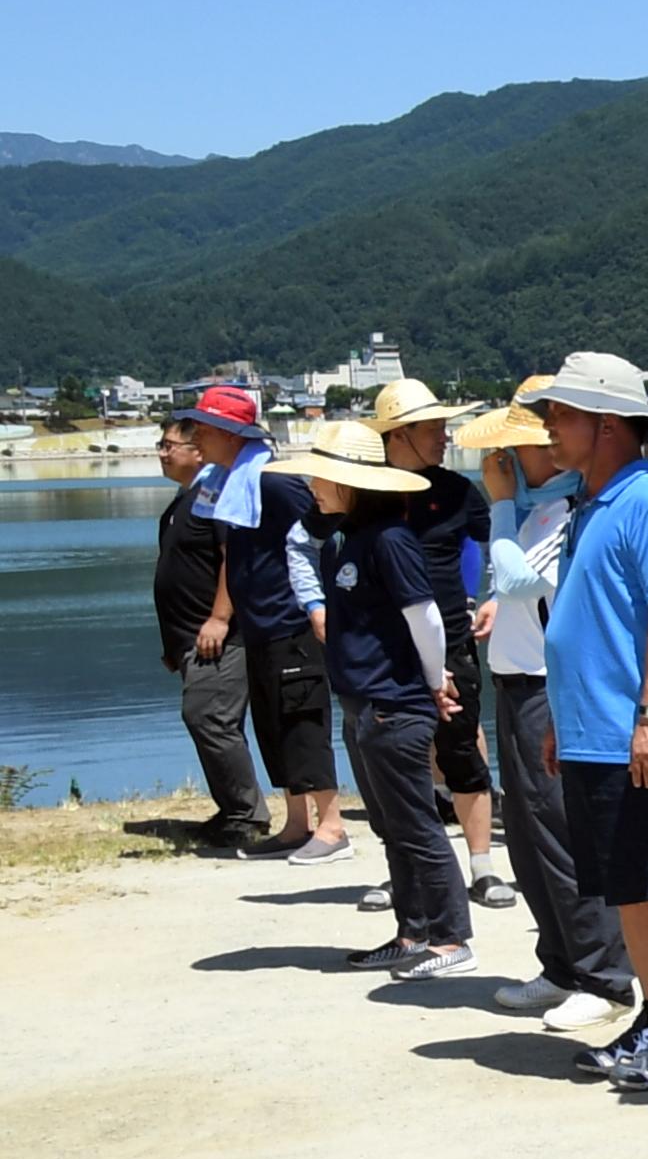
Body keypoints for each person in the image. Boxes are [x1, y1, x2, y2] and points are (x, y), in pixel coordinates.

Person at [533, 353, 648, 1092]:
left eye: (561, 413)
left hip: (627, 727)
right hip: (588, 726)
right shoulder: (593, 498)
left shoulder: (646, 499)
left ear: (606, 423)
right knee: (626, 887)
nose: (550, 426)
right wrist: (559, 717)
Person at [464, 385, 634, 1033]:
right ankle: (561, 961)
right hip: (514, 680)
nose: (503, 455)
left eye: (515, 442)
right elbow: (506, 587)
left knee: (563, 835)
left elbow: (518, 578)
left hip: (546, 687)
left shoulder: (567, 507)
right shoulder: (536, 509)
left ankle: (604, 972)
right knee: (531, 838)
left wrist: (500, 504)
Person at [284, 422, 475, 978]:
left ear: (352, 483)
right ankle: (412, 930)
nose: (315, 485)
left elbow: (426, 616)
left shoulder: (391, 538)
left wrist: (435, 680)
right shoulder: (342, 537)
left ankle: (451, 937)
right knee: (391, 824)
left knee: (417, 823)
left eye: (325, 476)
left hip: (396, 701)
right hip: (362, 701)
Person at [176, 384, 350, 862]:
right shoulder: (231, 480)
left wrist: (319, 598)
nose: (197, 438)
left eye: (203, 429)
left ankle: (332, 827)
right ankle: (296, 825)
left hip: (291, 620)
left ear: (230, 434)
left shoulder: (271, 479)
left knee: (302, 721)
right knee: (272, 724)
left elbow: (326, 520)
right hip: (259, 625)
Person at [368, 380, 514, 909]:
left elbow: (493, 539)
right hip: (384, 643)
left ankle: (482, 867)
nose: (444, 437)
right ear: (400, 435)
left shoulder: (455, 490)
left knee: (460, 746)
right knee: (395, 757)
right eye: (433, 430)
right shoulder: (365, 489)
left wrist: (490, 595)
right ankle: (406, 868)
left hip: (451, 633)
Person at [153, 414, 270, 853]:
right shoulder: (184, 502)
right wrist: (172, 642)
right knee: (209, 720)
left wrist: (220, 617)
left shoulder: (217, 494)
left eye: (169, 445)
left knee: (209, 717)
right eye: (160, 446)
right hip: (189, 640)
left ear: (197, 451)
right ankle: (234, 810)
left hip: (221, 636)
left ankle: (245, 815)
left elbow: (231, 557)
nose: (162, 453)